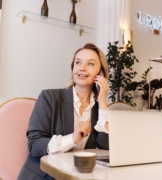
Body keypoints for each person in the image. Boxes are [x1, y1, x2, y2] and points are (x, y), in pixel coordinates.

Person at [17, 43, 109, 180]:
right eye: (78, 63)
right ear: (73, 68)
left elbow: (104, 148)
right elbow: (34, 144)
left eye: (90, 64)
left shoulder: (99, 109)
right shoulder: (49, 97)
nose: (82, 68)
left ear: (100, 74)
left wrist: (102, 102)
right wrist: (72, 138)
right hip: (45, 176)